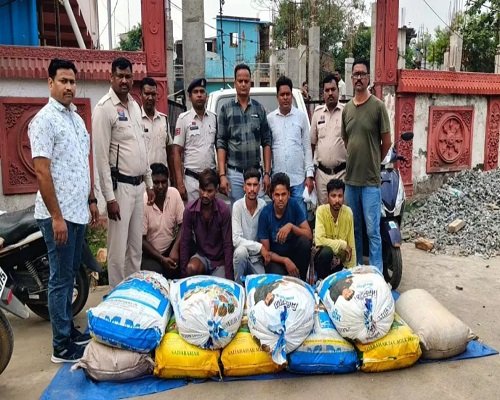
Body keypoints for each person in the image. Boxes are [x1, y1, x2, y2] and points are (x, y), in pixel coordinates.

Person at [28, 58, 99, 363]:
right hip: (58, 216)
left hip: (78, 211)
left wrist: (91, 200)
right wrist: (56, 217)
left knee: (70, 276)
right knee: (60, 280)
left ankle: (69, 331)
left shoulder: (76, 119)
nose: (69, 87)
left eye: (72, 81)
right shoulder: (43, 121)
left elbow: (82, 163)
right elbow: (42, 171)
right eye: (63, 81)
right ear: (50, 83)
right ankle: (61, 346)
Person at [93, 57, 155, 288]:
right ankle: (116, 295)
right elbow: (101, 159)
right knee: (118, 250)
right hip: (120, 190)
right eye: (120, 76)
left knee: (135, 247)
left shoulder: (135, 106)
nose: (124, 80)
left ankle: (133, 292)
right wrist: (109, 199)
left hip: (139, 188)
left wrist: (149, 182)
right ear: (111, 77)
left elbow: (142, 147)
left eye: (128, 76)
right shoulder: (104, 109)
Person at [341, 58, 392, 272]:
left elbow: (386, 142)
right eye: (356, 74)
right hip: (351, 181)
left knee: (373, 231)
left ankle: (376, 274)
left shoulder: (378, 107)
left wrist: (374, 161)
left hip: (371, 181)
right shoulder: (347, 109)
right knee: (355, 230)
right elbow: (347, 140)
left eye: (363, 74)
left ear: (368, 78)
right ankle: (358, 271)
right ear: (352, 78)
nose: (359, 78)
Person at [216, 63, 272, 203]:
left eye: (246, 81)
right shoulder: (225, 109)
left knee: (258, 211)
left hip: (255, 173)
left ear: (250, 83)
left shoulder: (259, 109)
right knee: (237, 210)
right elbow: (221, 143)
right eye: (240, 81)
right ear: (235, 83)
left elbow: (267, 141)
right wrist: (222, 175)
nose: (243, 84)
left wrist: (266, 173)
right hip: (235, 174)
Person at [267, 76, 314, 215]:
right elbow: (267, 149)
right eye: (282, 94)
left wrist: (309, 175)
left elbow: (307, 147)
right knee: (280, 218)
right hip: (278, 181)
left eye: (288, 94)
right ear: (277, 97)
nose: (285, 97)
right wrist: (267, 174)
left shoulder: (301, 117)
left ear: (292, 95)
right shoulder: (270, 119)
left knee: (300, 218)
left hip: (298, 180)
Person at [179, 168, 233, 280]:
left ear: (216, 190)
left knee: (220, 287)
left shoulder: (223, 210)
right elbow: (184, 242)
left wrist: (229, 276)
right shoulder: (190, 210)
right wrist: (183, 276)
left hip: (219, 261)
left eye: (209, 191)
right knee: (191, 268)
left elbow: (227, 244)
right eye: (202, 190)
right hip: (201, 257)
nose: (205, 195)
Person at [257, 173, 312, 281]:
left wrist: (291, 227)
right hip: (276, 259)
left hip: (294, 254)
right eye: (277, 195)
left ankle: (302, 281)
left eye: (283, 194)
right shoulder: (265, 214)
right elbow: (266, 252)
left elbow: (309, 235)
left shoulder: (294, 205)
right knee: (280, 281)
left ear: (289, 194)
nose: (281, 198)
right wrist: (285, 260)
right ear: (272, 196)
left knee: (304, 242)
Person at [172, 78, 217, 202]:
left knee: (211, 213)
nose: (199, 95)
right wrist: (180, 183)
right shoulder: (183, 119)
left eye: (202, 91)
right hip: (192, 181)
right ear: (189, 97)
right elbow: (176, 152)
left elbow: (219, 147)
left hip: (210, 181)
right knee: (193, 212)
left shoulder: (213, 118)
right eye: (195, 92)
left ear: (206, 96)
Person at [142, 163, 184, 279]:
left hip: (170, 248)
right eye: (156, 182)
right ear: (150, 183)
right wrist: (161, 259)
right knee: (156, 275)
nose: (160, 186)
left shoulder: (174, 193)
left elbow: (184, 225)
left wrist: (175, 249)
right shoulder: (143, 200)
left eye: (164, 182)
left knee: (190, 249)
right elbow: (141, 240)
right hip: (151, 254)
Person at [310, 74, 347, 205]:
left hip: (342, 173)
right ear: (323, 93)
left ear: (338, 90)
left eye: (333, 89)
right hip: (322, 175)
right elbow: (312, 144)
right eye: (327, 90)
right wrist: (311, 172)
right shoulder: (317, 113)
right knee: (323, 211)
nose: (330, 93)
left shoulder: (346, 112)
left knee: (342, 211)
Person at [232, 167, 269, 284]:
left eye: (255, 185)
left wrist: (261, 250)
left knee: (262, 285)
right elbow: (236, 240)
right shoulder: (237, 206)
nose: (252, 189)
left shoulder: (263, 206)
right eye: (249, 185)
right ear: (244, 187)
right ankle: (238, 286)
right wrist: (259, 247)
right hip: (241, 256)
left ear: (259, 187)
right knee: (241, 252)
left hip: (257, 258)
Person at [314, 179, 356, 280]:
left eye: (340, 196)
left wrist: (352, 271)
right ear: (328, 197)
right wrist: (342, 244)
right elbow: (319, 240)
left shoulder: (348, 212)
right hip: (323, 260)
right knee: (327, 252)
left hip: (339, 261)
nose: (337, 200)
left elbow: (351, 244)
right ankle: (321, 281)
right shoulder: (321, 211)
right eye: (333, 196)